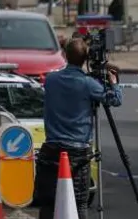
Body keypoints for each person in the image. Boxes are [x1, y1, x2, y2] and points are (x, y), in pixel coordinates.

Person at [34, 38, 122, 219]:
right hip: (78, 151)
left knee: (48, 202)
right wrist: (113, 82)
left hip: (51, 149)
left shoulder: (51, 80)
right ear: (85, 59)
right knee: (79, 201)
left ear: (65, 55)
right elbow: (115, 100)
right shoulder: (88, 84)